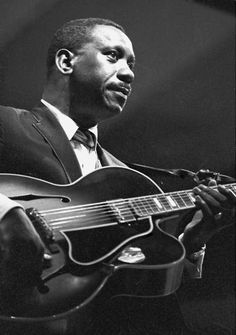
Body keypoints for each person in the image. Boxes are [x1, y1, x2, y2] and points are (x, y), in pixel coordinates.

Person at [0, 18, 235, 335]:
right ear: (66, 61)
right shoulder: (9, 124)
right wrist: (8, 212)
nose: (128, 73)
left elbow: (141, 281)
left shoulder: (125, 177)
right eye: (113, 55)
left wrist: (192, 242)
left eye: (132, 64)